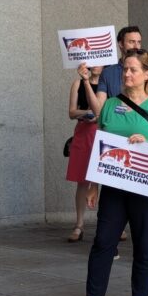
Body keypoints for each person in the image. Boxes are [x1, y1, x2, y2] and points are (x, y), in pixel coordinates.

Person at [80, 49, 148, 296]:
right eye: (125, 69)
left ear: (147, 74)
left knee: (145, 244)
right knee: (103, 241)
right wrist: (92, 186)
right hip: (114, 184)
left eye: (133, 69)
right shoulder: (110, 105)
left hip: (147, 183)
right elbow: (100, 146)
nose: (127, 74)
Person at [78, 25, 143, 248]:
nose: (136, 45)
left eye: (138, 42)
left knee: (140, 202)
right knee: (113, 201)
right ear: (121, 44)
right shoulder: (109, 72)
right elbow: (99, 110)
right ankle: (109, 245)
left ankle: (144, 248)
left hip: (139, 141)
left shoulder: (146, 67)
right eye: (131, 41)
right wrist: (86, 81)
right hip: (114, 140)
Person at [66, 66, 103, 242]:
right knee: (82, 180)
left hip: (103, 130)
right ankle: (79, 225)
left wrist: (99, 115)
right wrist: (87, 112)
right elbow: (71, 112)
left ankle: (112, 225)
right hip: (83, 131)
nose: (96, 65)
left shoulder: (108, 83)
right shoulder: (78, 83)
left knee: (107, 179)